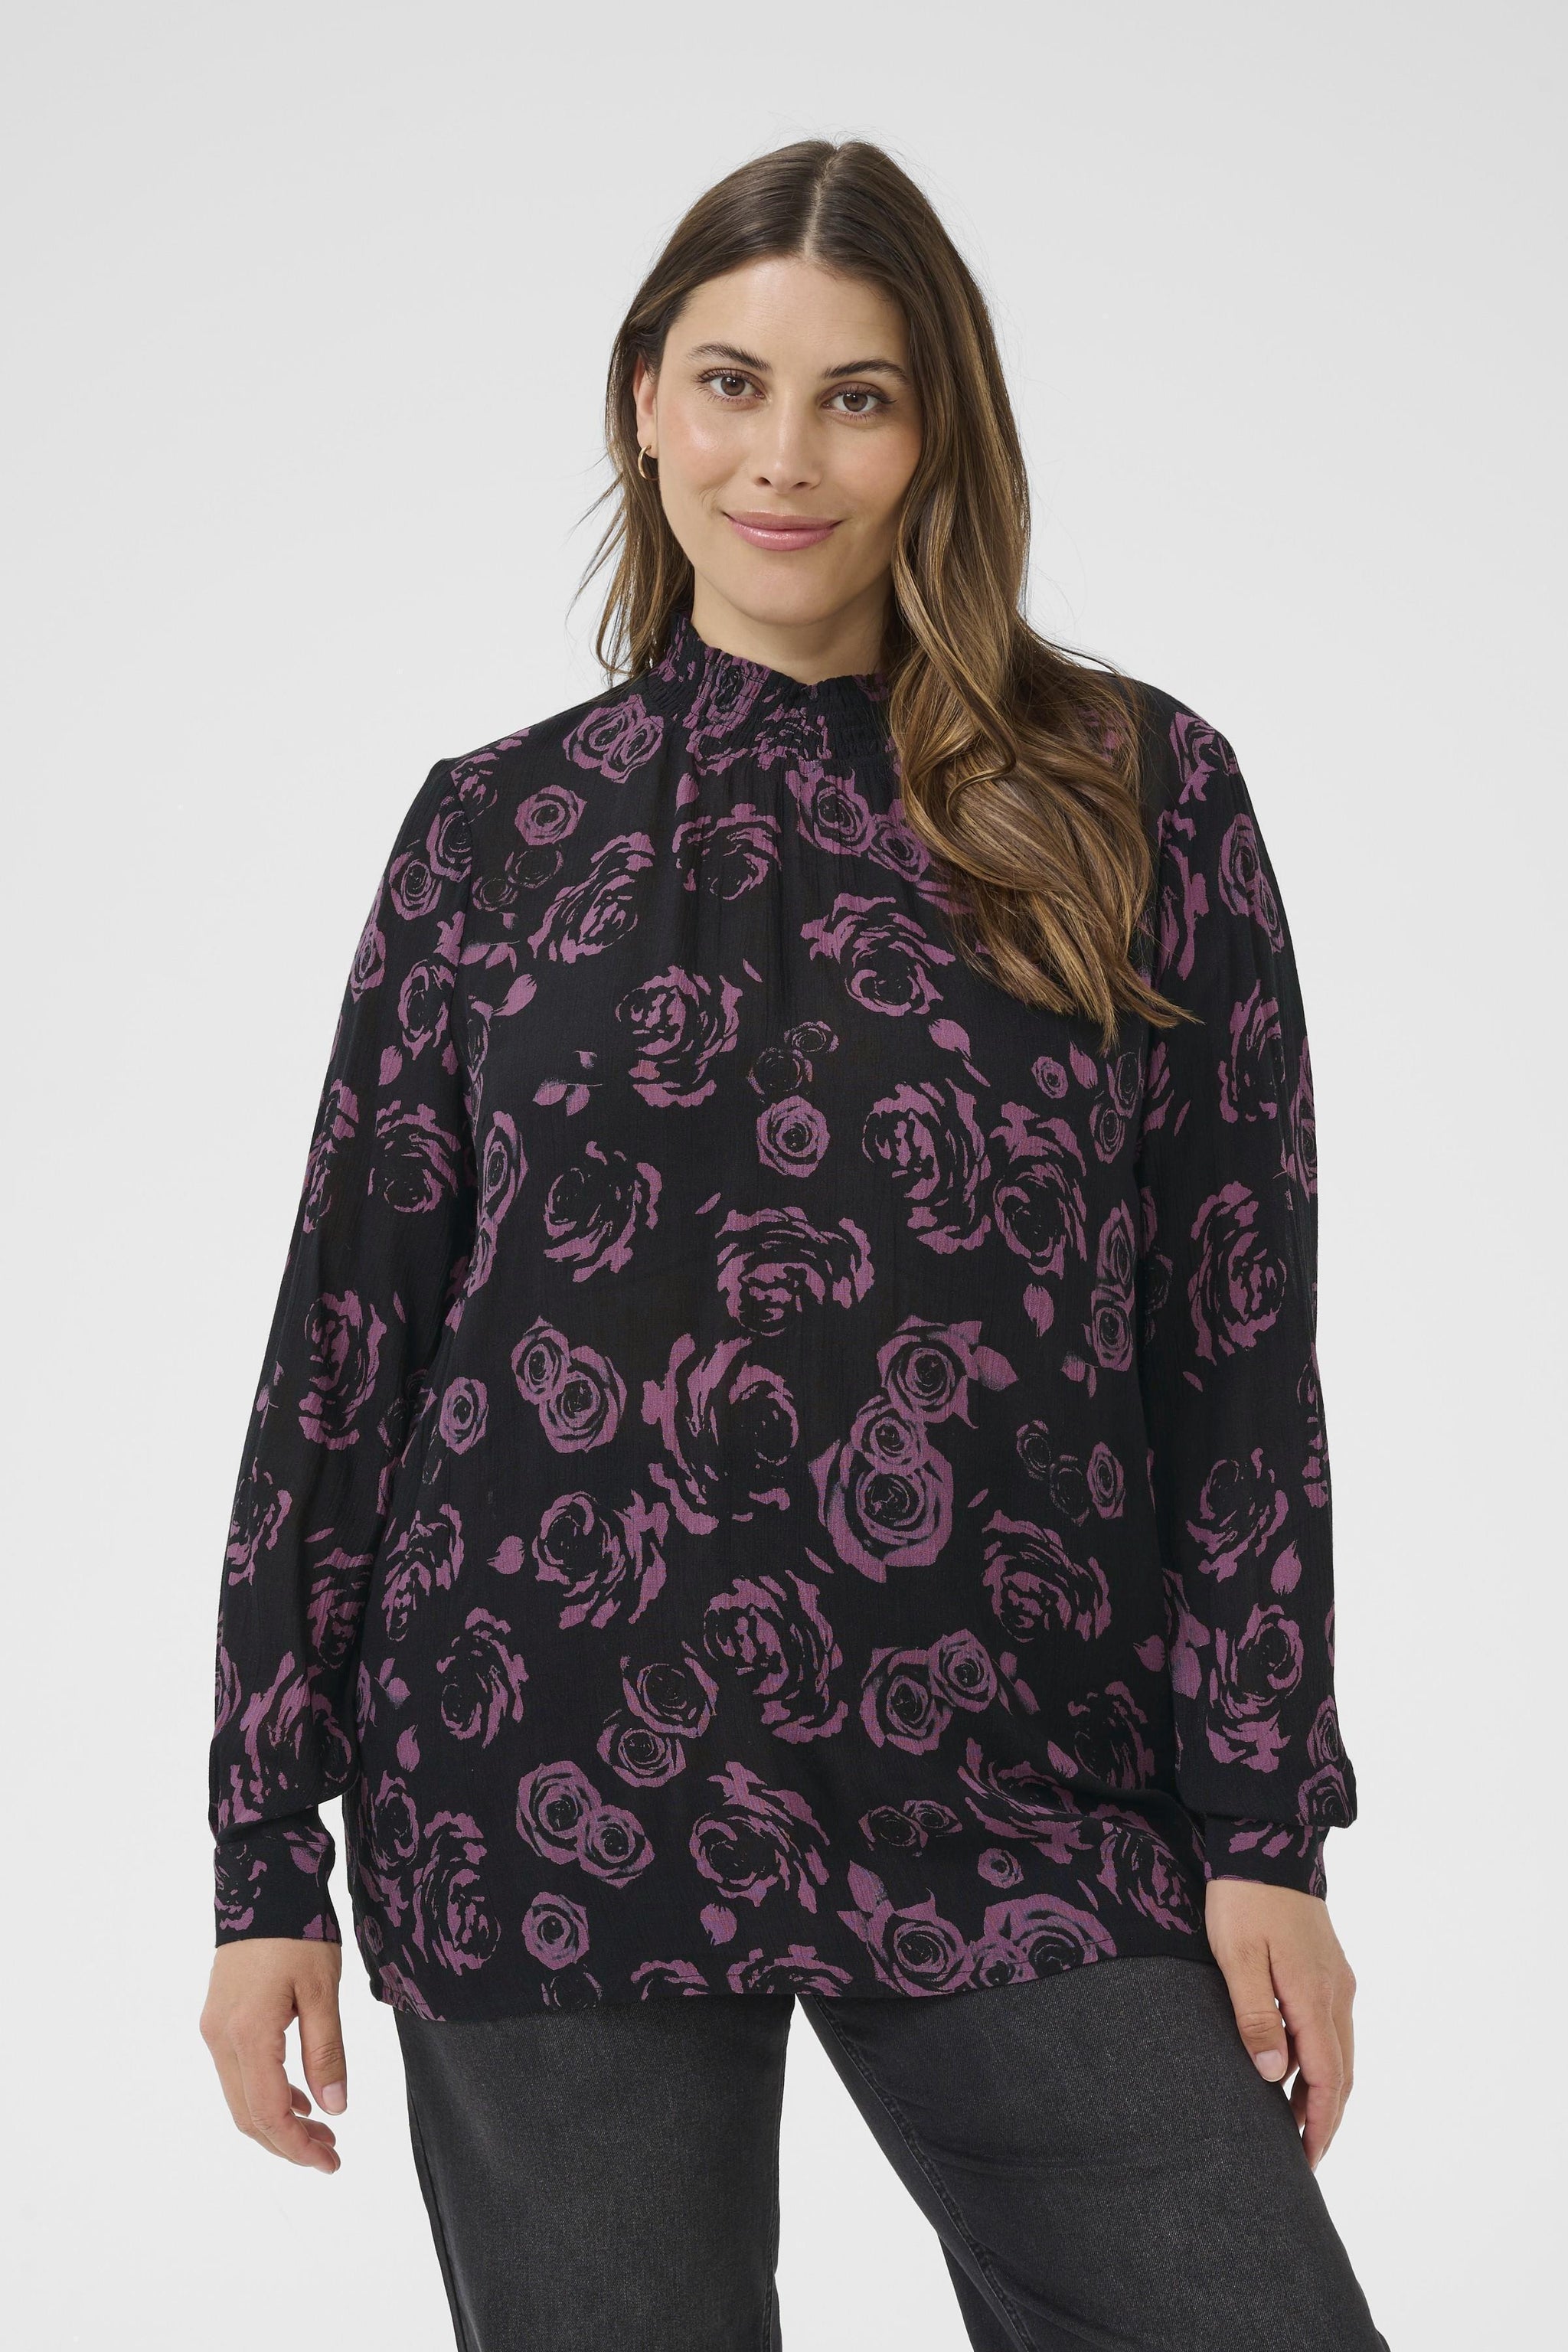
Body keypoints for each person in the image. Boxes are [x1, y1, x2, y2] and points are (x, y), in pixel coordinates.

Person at [200, 137, 1388, 2352]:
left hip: (1024, 1785)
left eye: (858, 396)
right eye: (735, 384)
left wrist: (1265, 1831)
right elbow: (348, 1355)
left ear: (940, 431)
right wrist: (267, 1855)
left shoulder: (1139, 795)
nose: (785, 459)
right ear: (646, 400)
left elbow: (1234, 1346)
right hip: (538, 1772)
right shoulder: (494, 832)